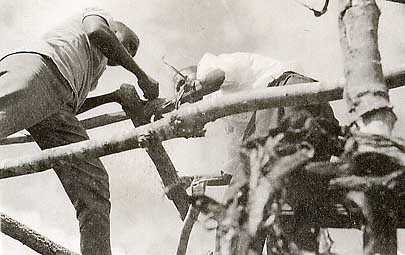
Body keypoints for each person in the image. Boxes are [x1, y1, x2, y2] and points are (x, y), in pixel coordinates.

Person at [0, 7, 159, 255]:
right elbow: (97, 31)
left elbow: (73, 105)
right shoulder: (99, 18)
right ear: (116, 28)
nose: (129, 54)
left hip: (57, 102)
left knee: (93, 184)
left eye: (133, 53)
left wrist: (112, 97)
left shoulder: (92, 69)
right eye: (128, 45)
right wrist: (140, 74)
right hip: (41, 68)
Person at [173, 52, 340, 254]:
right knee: (287, 203)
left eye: (180, 85)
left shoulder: (209, 69)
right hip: (316, 110)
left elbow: (215, 76)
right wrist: (197, 179)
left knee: (239, 204)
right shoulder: (236, 116)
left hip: (285, 94)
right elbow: (235, 170)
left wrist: (193, 89)